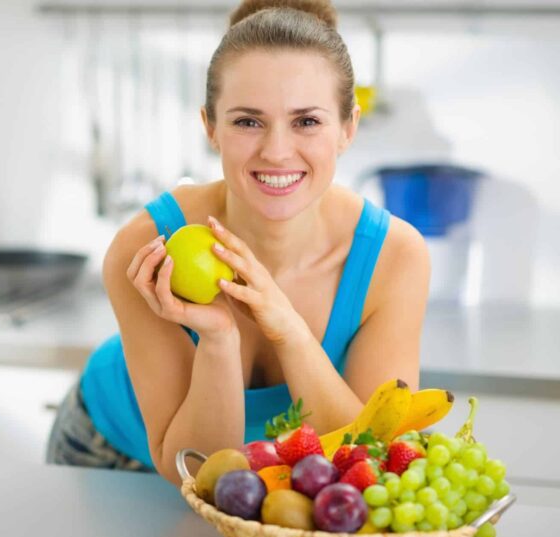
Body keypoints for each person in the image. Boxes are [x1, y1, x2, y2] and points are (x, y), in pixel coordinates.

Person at [47, 0, 430, 487]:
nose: (276, 151)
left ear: (347, 128)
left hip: (274, 482)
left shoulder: (392, 258)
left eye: (307, 121)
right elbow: (191, 466)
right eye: (248, 121)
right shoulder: (147, 245)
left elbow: (373, 462)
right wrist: (218, 338)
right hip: (110, 454)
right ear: (210, 127)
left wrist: (288, 329)